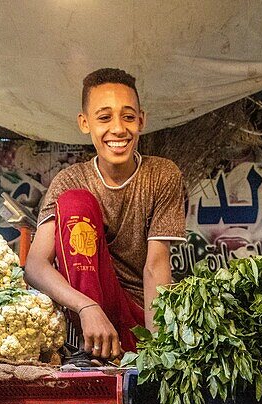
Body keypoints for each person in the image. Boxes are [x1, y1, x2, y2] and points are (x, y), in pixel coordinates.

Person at [24, 68, 186, 360]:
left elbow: (155, 267)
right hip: (90, 322)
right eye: (104, 117)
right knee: (75, 203)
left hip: (141, 321)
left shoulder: (162, 175)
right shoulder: (70, 180)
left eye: (127, 116)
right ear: (84, 123)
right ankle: (94, 353)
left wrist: (159, 352)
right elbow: (35, 265)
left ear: (142, 120)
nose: (118, 129)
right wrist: (86, 307)